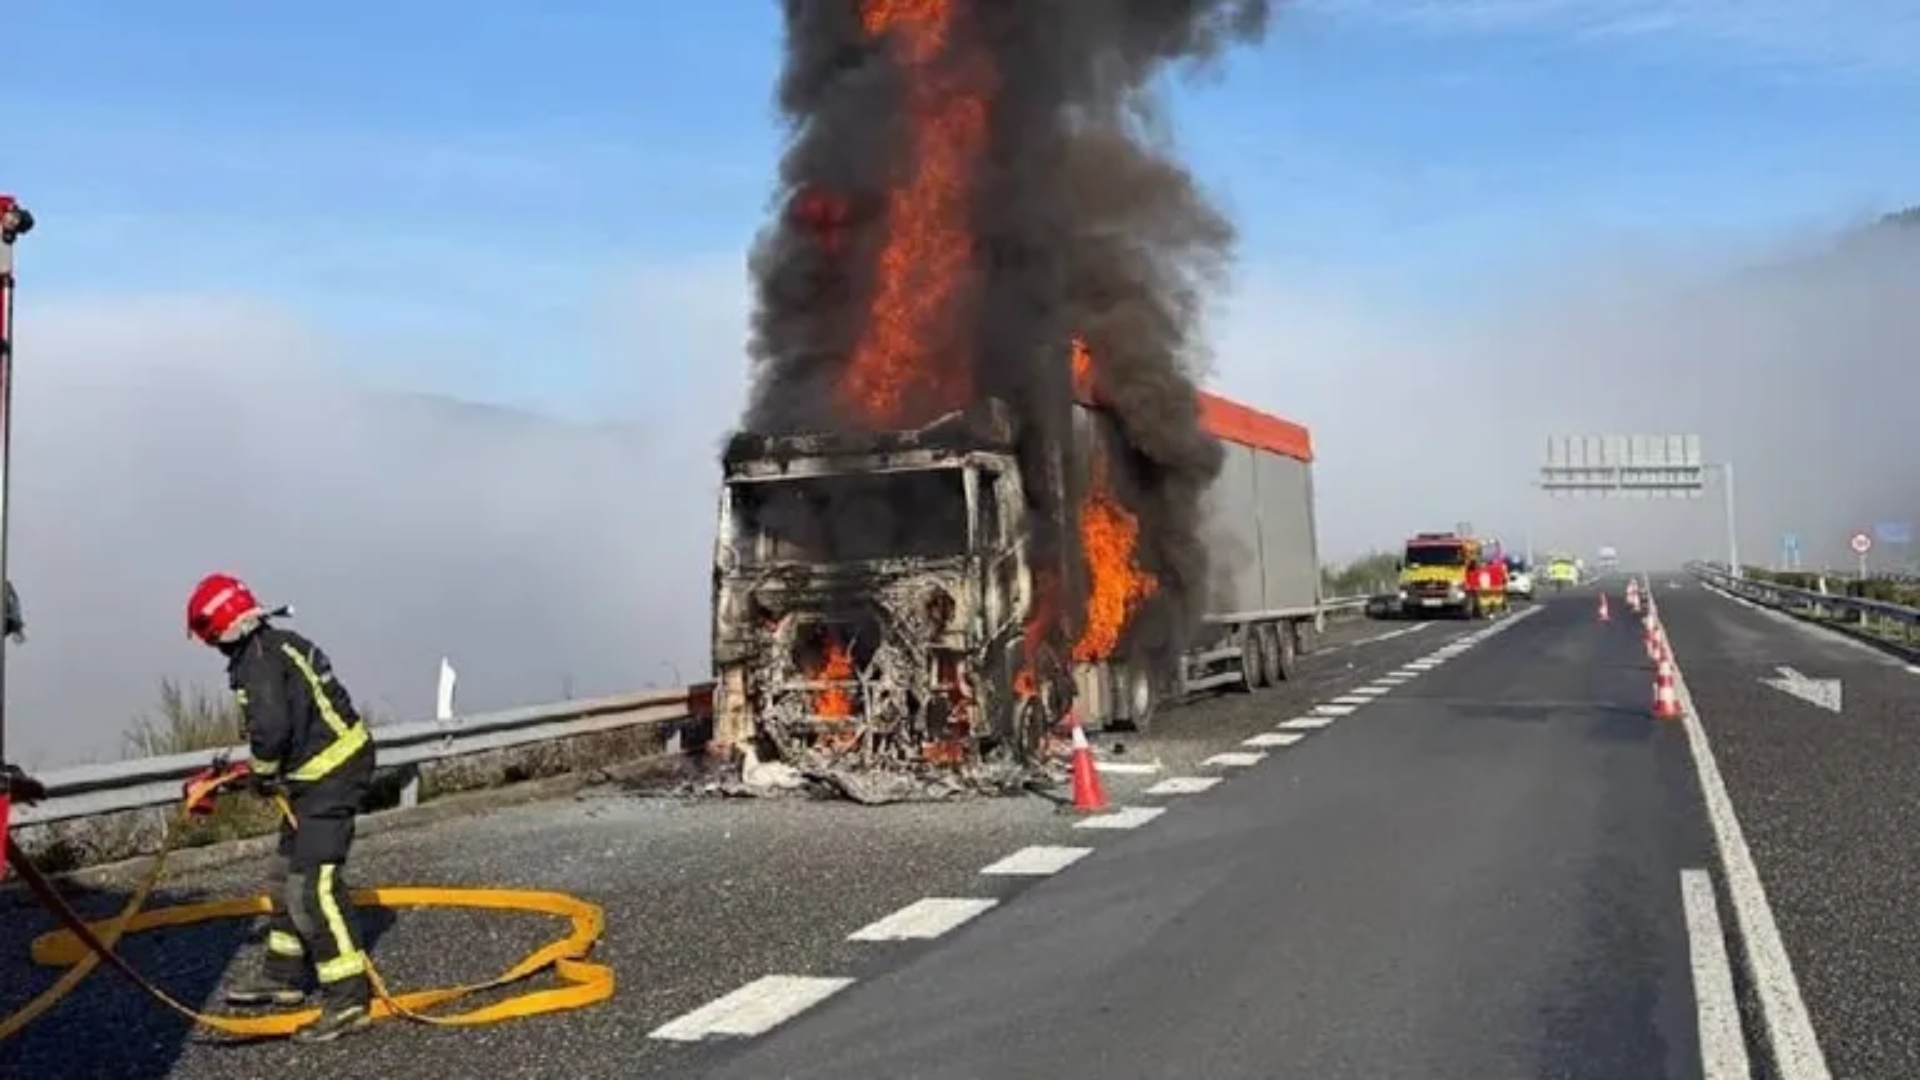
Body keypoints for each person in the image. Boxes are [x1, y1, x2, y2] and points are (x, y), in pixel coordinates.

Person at [186, 572, 377, 1043]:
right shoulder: (273, 646)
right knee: (284, 876)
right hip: (312, 777)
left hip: (331, 778)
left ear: (221, 630)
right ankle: (284, 976)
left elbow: (271, 729)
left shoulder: (257, 662)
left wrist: (264, 773)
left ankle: (348, 999)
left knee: (314, 886)